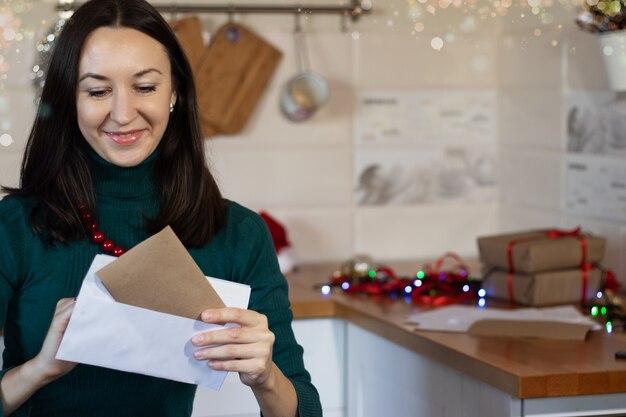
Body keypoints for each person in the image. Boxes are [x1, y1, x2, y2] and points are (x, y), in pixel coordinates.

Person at [0, 0, 322, 416]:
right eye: (98, 91)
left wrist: (266, 377)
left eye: (146, 87)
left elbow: (307, 409)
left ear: (175, 92)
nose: (122, 113)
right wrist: (40, 369)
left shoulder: (237, 233)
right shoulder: (14, 227)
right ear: (69, 101)